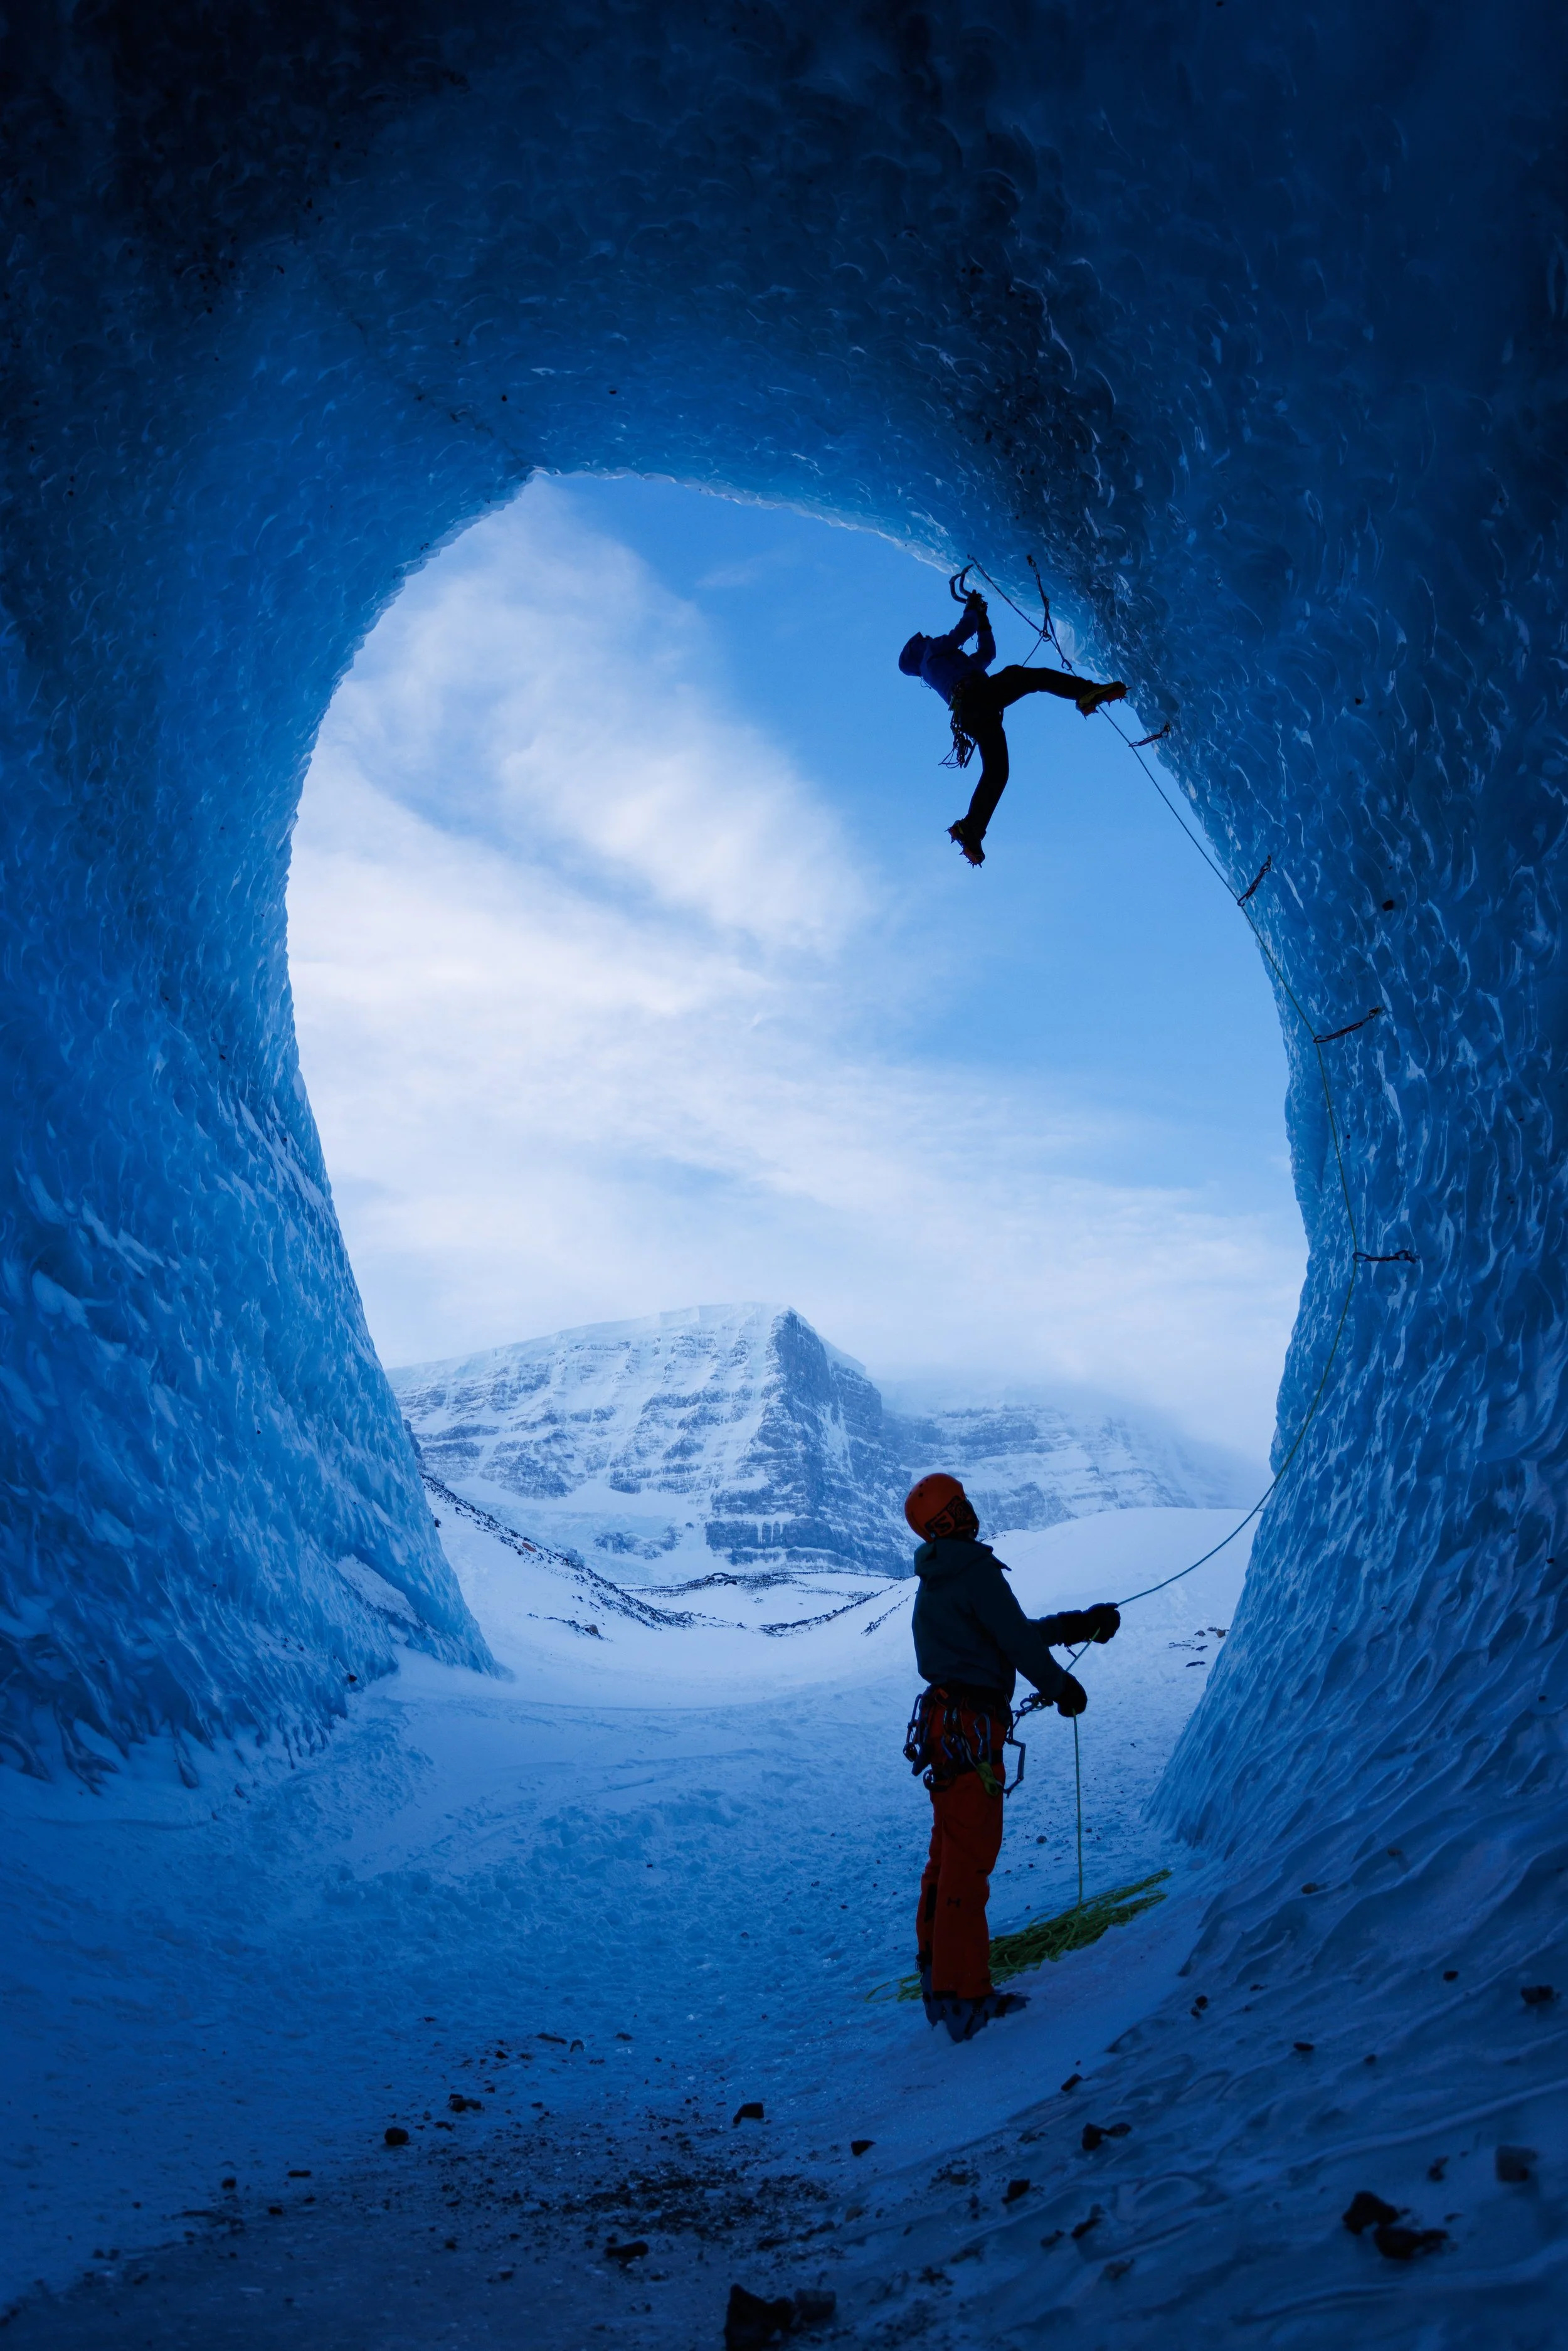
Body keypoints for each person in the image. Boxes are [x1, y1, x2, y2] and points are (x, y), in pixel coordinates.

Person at [903, 1471, 1121, 2043]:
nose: (971, 1511)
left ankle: (936, 1980)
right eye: (962, 1505)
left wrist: (1077, 1626)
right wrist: (1062, 1688)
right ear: (950, 1519)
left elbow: (1003, 1634)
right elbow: (1017, 1643)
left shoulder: (939, 1577)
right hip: (973, 1733)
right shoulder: (973, 1570)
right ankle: (965, 1997)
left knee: (946, 1859)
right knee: (968, 1867)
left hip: (945, 1732)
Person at [898, 587, 1126, 865]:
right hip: (977, 699)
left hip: (973, 712)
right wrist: (973, 609)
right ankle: (1086, 693)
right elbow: (963, 630)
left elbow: (987, 653)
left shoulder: (947, 664)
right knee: (1027, 677)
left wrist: (983, 620)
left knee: (997, 771)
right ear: (916, 649)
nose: (928, 637)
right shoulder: (930, 654)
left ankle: (970, 829)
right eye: (922, 639)